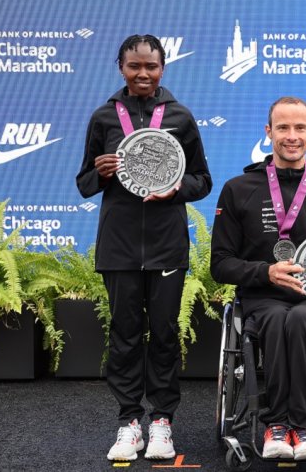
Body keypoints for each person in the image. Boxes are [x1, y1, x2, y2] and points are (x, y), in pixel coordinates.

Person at [76, 34, 213, 462]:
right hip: (118, 246)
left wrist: (174, 189)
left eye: (150, 67)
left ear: (163, 68)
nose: (142, 74)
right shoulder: (104, 117)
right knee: (124, 335)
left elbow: (202, 181)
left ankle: (162, 422)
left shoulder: (180, 117)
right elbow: (83, 184)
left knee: (166, 334)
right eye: (134, 66)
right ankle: (129, 421)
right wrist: (99, 172)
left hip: (166, 244)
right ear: (121, 67)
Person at [210, 96, 306, 460]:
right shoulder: (238, 189)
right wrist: (267, 271)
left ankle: (305, 425)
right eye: (283, 127)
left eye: (299, 128)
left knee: (298, 318)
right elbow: (220, 264)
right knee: (280, 318)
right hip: (262, 298)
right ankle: (279, 425)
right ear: (268, 132)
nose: (291, 136)